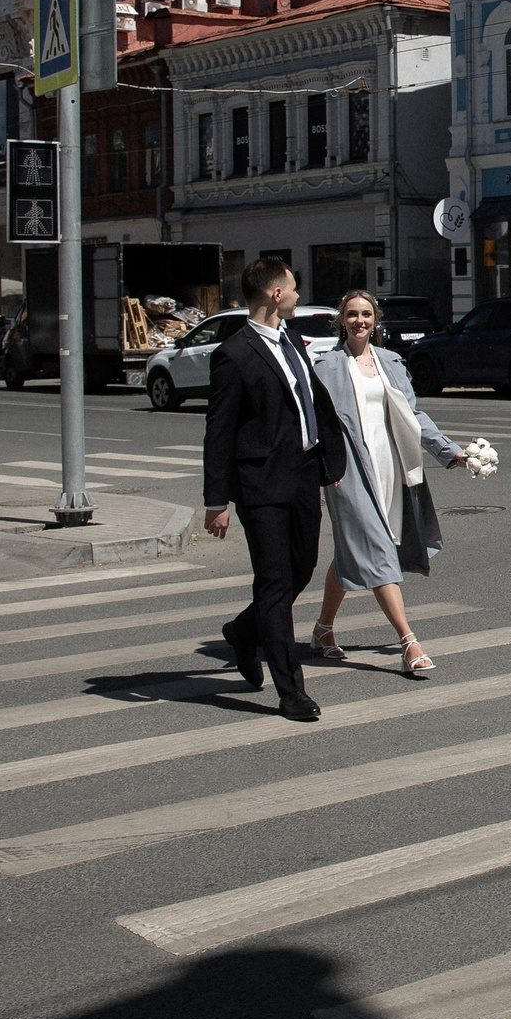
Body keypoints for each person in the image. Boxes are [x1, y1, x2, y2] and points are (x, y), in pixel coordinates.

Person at [202, 256, 350, 723]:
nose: (298, 295)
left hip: (304, 475)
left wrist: (329, 462)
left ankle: (244, 633)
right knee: (273, 582)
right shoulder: (235, 353)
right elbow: (219, 431)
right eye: (292, 288)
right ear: (274, 294)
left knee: (301, 569)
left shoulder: (290, 340)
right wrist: (216, 500)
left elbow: (312, 406)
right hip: (260, 484)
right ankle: (291, 691)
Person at [308, 290, 467, 680]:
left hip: (390, 464)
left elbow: (412, 416)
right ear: (341, 321)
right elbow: (315, 425)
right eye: (351, 314)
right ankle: (408, 642)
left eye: (365, 314)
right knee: (378, 550)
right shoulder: (325, 367)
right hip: (347, 472)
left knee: (353, 549)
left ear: (375, 320)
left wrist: (450, 451)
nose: (359, 321)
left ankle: (322, 628)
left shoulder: (391, 362)